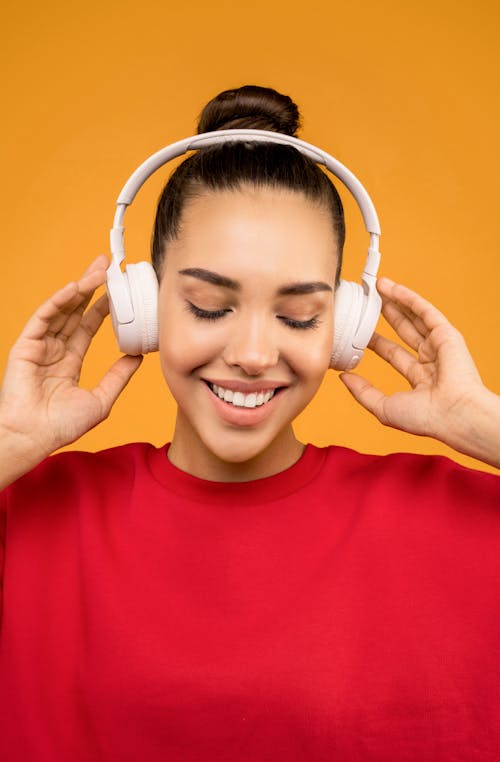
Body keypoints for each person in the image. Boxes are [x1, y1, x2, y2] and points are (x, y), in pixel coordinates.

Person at [0, 85, 498, 762]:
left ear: (345, 326)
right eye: (209, 306)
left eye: (298, 316)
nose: (255, 355)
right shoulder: (32, 512)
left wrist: (481, 423)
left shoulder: (449, 516)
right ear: (141, 307)